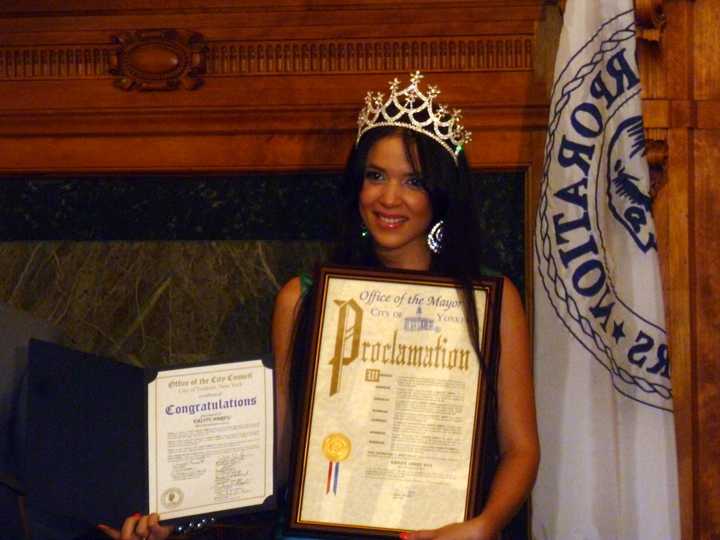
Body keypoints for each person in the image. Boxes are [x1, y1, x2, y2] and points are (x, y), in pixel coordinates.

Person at [102, 71, 539, 540]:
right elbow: (281, 451)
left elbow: (521, 448)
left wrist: (484, 525)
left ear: (441, 194)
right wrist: (181, 516)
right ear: (357, 187)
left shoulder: (490, 298)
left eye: (413, 180)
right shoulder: (303, 298)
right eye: (376, 176)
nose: (389, 197)